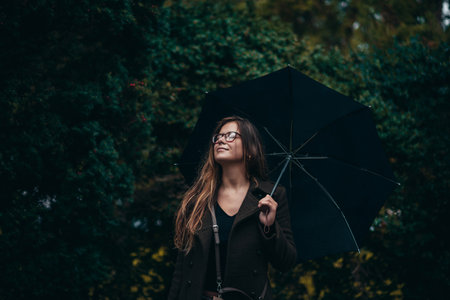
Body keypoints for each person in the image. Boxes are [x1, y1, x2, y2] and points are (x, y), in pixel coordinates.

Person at [168, 116, 297, 300]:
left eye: (230, 135)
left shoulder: (270, 197)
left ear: (250, 150)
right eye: (218, 137)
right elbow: (181, 270)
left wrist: (269, 227)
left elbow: (286, 262)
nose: (220, 140)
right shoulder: (196, 200)